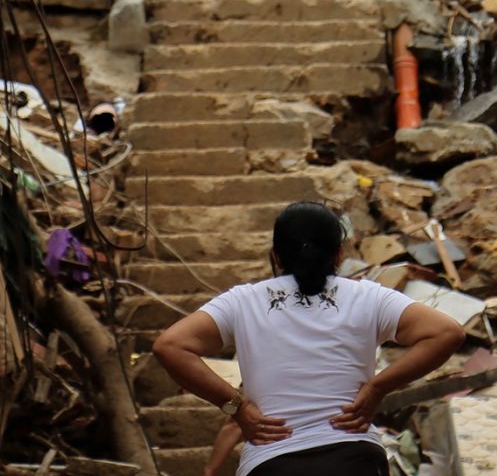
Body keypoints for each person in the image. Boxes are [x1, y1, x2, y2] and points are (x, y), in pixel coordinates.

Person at [153, 202, 465, 476]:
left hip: (273, 462)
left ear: (275, 255)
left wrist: (235, 406)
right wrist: (376, 388)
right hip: (355, 457)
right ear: (339, 253)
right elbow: (447, 332)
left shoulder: (243, 301)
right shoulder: (367, 296)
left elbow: (170, 345)